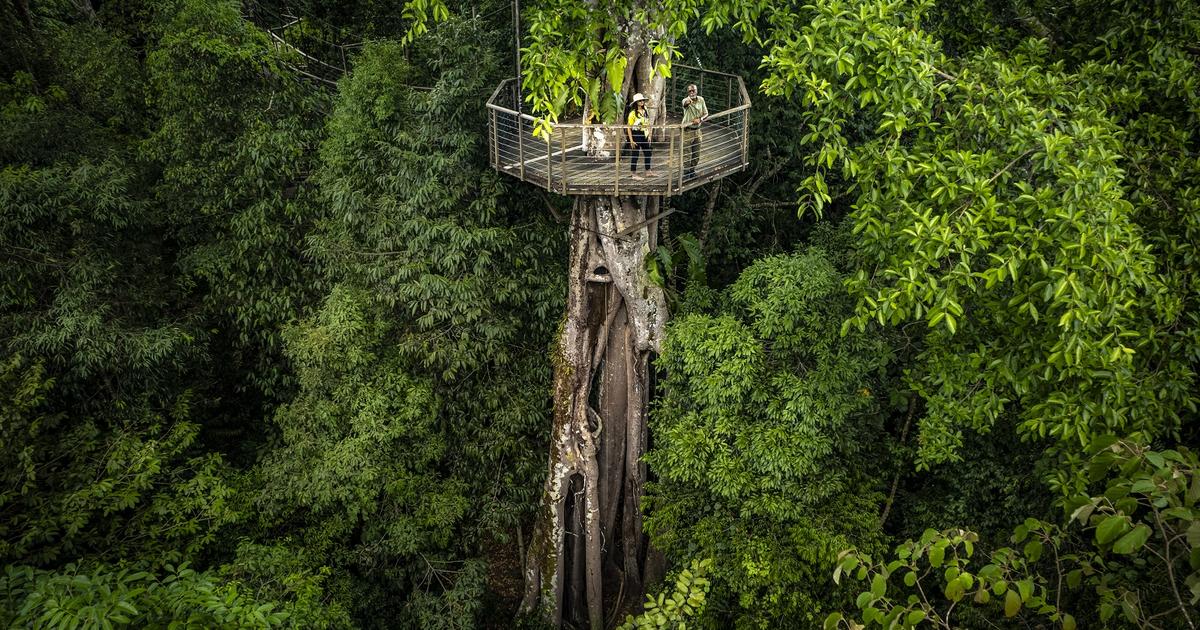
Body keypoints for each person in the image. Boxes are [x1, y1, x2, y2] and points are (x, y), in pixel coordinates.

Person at [681, 83, 708, 180]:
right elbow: (685, 104)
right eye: (690, 91)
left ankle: (692, 171)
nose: (692, 92)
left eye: (694, 91)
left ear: (697, 91)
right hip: (688, 131)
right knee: (687, 153)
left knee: (696, 154)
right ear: (688, 92)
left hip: (698, 130)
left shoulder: (701, 99)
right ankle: (686, 173)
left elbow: (706, 113)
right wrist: (689, 102)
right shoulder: (685, 100)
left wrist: (700, 119)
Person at [625, 93, 652, 180]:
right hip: (636, 134)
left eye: (643, 100)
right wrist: (631, 140)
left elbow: (648, 123)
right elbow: (629, 127)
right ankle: (633, 173)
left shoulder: (646, 111)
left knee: (648, 152)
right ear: (636, 102)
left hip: (645, 134)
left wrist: (649, 135)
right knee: (635, 154)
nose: (642, 102)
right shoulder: (632, 113)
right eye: (640, 101)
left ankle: (648, 171)